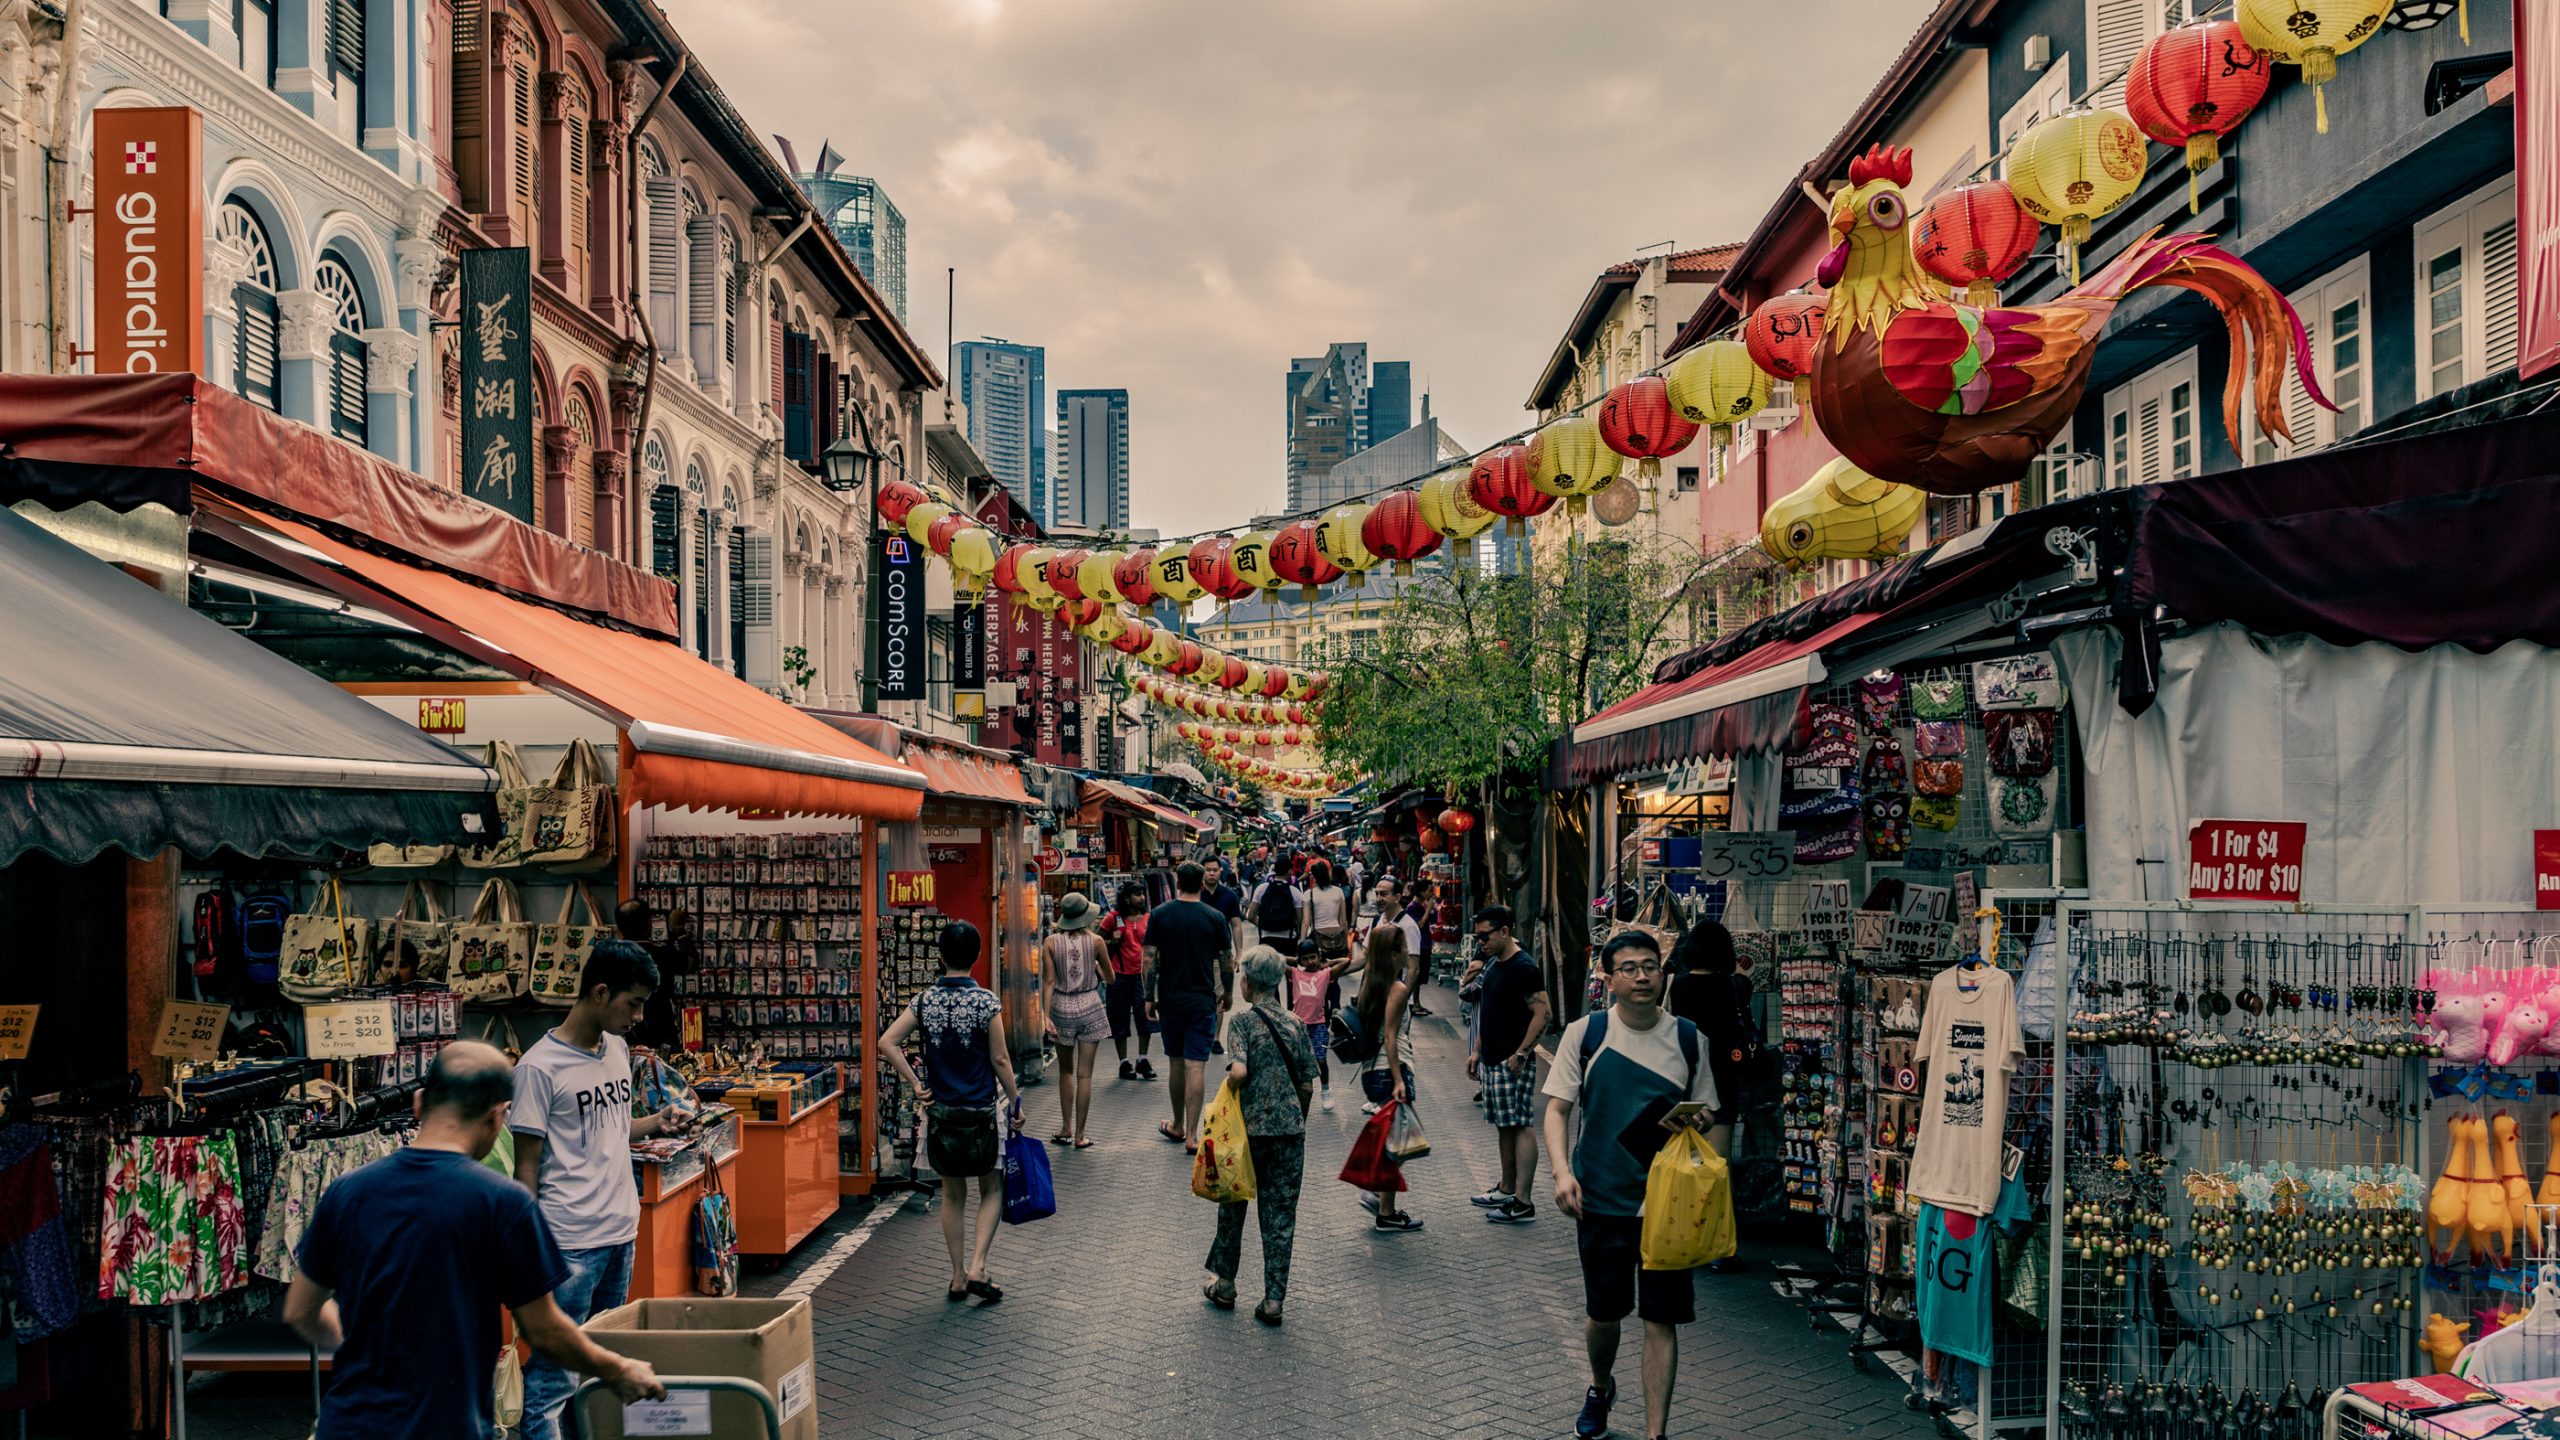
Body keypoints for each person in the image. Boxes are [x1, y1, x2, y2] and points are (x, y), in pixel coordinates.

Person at [284, 1043, 664, 1440]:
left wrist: (360, 1344)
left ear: (419, 1103)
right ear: (498, 1117)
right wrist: (618, 1369)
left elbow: (299, 1311)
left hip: (347, 1426)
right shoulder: (503, 1202)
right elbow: (546, 1332)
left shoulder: (347, 1191)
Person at [511, 940, 693, 1440]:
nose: (638, 1016)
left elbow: (612, 1129)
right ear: (599, 992)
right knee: (552, 1379)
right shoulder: (538, 1068)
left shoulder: (615, 1049)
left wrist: (656, 1122)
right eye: (633, 1003)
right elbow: (526, 1167)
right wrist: (527, 1251)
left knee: (597, 1369)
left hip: (619, 1233)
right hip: (568, 1242)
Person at [1544, 931, 1721, 1440]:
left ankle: (1654, 1433)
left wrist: (1697, 1119)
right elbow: (1557, 1109)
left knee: (1661, 1320)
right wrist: (1562, 1172)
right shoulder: (1587, 1034)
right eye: (1629, 968)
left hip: (1670, 1207)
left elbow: (1709, 1109)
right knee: (1605, 1315)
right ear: (1608, 978)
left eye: (1650, 966)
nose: (1642, 976)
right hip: (1601, 1200)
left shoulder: (1689, 1038)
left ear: (1662, 974)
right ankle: (1600, 1388)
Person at [878, 920, 1019, 1303]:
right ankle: (978, 1266)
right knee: (992, 1187)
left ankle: (957, 1276)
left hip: (940, 1113)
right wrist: (1015, 1100)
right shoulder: (986, 1002)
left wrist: (915, 1083)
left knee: (952, 1195)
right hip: (982, 1111)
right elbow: (1000, 1058)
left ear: (940, 956)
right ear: (977, 955)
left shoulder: (924, 1001)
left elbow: (887, 1042)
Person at [1202, 946, 1318, 1326]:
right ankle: (1273, 1301)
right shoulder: (1296, 1023)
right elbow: (1307, 1084)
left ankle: (1226, 1284)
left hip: (1247, 1134)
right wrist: (1296, 1120)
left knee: (1232, 1205)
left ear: (1249, 982)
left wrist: (1230, 1087)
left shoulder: (1241, 1023)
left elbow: (1238, 1072)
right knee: (1280, 1217)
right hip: (1288, 1133)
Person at [1466, 905, 1550, 1225]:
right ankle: (1506, 1188)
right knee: (1505, 1124)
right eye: (1478, 936)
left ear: (1504, 932)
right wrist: (1477, 1050)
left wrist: (1522, 1053)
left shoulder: (1523, 967)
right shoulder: (1494, 963)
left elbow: (1543, 1013)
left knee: (1521, 1124)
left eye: (1485, 936)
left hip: (1512, 1061)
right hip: (1493, 1058)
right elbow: (1491, 1011)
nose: (1480, 942)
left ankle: (1523, 1201)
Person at [1145, 862, 1234, 1152]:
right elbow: (1227, 960)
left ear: (1178, 883)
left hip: (1170, 999)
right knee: (1196, 1065)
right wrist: (1228, 992)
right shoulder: (1215, 917)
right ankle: (1192, 1136)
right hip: (1202, 1000)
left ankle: (1177, 1124)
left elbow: (1149, 959)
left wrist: (1148, 996)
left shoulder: (1160, 914)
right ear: (1201, 884)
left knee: (1175, 1062)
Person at [1351, 925, 1423, 1233]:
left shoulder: (1371, 984)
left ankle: (1381, 1198)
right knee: (1400, 1140)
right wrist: (1398, 1080)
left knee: (1399, 1138)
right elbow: (1391, 1037)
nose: (1408, 951)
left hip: (1372, 1070)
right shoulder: (1397, 989)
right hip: (1389, 1070)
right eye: (1404, 947)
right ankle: (1385, 1209)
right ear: (1393, 954)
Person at [1666, 920, 1752, 1169]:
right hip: (1724, 1077)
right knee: (1718, 1162)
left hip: (1683, 1076)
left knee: (1682, 1159)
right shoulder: (1736, 986)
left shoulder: (1673, 985)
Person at [1041, 892, 1111, 1149]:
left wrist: (1045, 1015)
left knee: (1066, 1072)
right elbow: (1111, 978)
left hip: (1061, 1009)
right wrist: (1095, 968)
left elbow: (1049, 981)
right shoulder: (1096, 941)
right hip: (1090, 1007)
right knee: (1085, 1075)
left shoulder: (1050, 942)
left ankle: (1065, 1128)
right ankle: (1081, 1136)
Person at [616, 897, 697, 1053]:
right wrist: (679, 929)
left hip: (625, 1038)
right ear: (649, 925)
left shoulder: (610, 959)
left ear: (619, 930)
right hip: (663, 1036)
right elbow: (691, 963)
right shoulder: (663, 955)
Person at [1098, 881, 1156, 1080]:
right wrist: (1112, 942)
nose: (1141, 898)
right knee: (1119, 1018)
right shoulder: (1113, 918)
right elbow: (1097, 942)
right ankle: (1123, 1062)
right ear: (1126, 898)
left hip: (1142, 976)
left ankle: (1142, 1059)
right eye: (1136, 894)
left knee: (1144, 1017)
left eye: (1142, 893)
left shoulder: (1149, 918)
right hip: (1119, 976)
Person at [1245, 863, 1304, 959]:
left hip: (1266, 937)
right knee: (1287, 966)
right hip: (1288, 937)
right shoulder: (1294, 892)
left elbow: (1250, 916)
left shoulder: (1262, 889)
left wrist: (1263, 924)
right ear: (1290, 872)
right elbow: (1300, 919)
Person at [1302, 860, 1353, 967]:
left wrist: (1302, 942)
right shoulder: (1338, 891)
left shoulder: (1309, 894)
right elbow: (1343, 921)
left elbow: (1306, 922)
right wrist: (1346, 942)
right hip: (1337, 937)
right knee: (1335, 970)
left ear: (1313, 876)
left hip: (1318, 937)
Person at [1200, 856, 1246, 955]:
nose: (1212, 873)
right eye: (1208, 870)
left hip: (1223, 951)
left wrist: (1239, 953)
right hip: (1199, 951)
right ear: (1202, 872)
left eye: (1215, 870)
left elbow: (1236, 926)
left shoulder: (1230, 896)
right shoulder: (1194, 895)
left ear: (1220, 871)